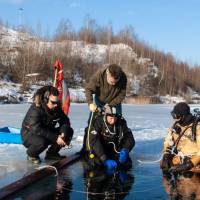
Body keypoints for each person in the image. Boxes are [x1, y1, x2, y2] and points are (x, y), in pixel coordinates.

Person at [21, 86, 73, 164]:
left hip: (46, 131)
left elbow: (65, 120)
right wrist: (55, 138)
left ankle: (52, 153)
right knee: (42, 142)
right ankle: (31, 154)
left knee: (68, 131)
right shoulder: (36, 109)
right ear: (46, 100)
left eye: (57, 102)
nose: (56, 105)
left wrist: (63, 133)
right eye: (53, 102)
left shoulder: (56, 108)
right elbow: (37, 129)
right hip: (29, 134)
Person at [83, 104, 135, 173]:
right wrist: (103, 158)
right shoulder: (98, 121)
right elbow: (93, 140)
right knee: (94, 164)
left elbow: (130, 138)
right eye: (111, 118)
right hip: (100, 151)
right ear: (105, 115)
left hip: (115, 150)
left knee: (127, 164)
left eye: (115, 118)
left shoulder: (121, 122)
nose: (113, 121)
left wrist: (126, 149)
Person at [160, 102, 200, 174]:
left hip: (194, 162)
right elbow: (167, 140)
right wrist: (166, 155)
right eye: (173, 116)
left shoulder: (197, 127)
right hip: (180, 158)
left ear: (184, 116)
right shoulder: (177, 124)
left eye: (177, 116)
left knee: (188, 180)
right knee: (163, 165)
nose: (175, 119)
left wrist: (188, 165)